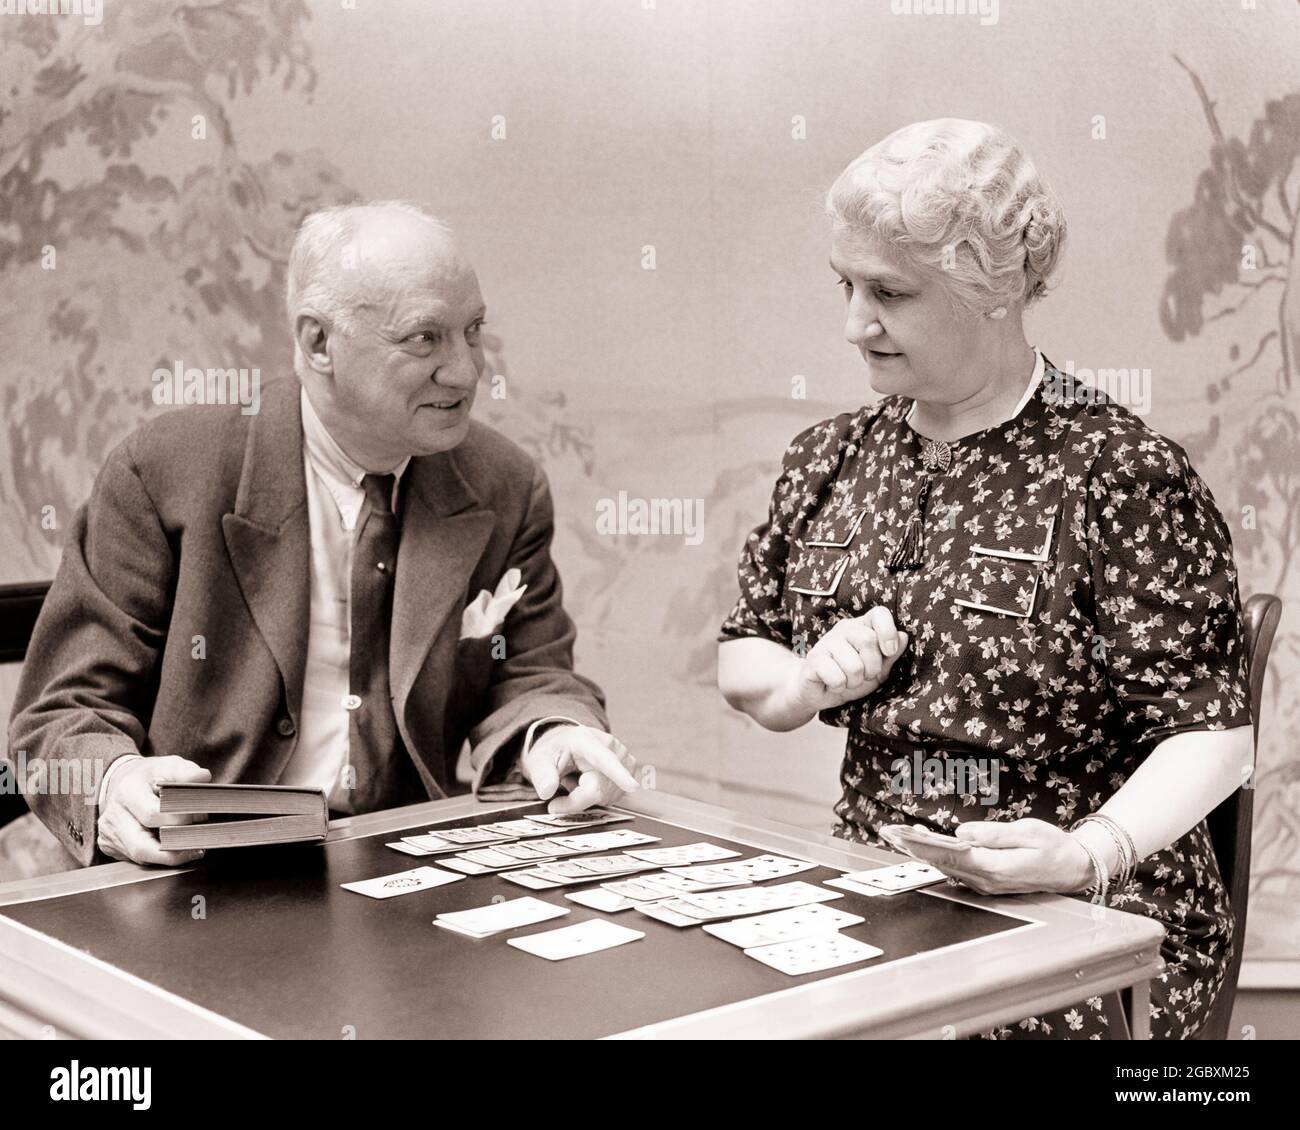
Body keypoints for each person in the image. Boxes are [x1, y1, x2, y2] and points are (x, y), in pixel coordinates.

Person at [717, 120, 1253, 1039]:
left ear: (993, 288)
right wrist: (806, 680)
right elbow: (743, 659)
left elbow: (1215, 736)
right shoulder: (830, 458)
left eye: (890, 292)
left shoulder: (1118, 473)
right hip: (883, 896)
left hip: (1090, 915)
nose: (855, 323)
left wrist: (1084, 854)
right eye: (845, 286)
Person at [7, 200, 637, 873]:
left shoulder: (504, 485)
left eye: (472, 330)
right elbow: (60, 716)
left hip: (407, 875)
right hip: (191, 877)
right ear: (318, 343)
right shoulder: (164, 471)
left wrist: (554, 737)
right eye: (424, 338)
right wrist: (114, 786)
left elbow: (533, 674)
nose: (466, 370)